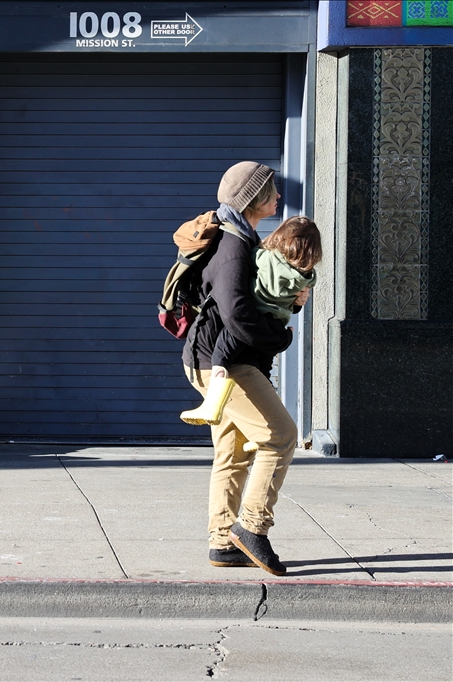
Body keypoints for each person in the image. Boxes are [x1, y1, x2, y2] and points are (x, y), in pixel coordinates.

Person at [182, 161, 301, 577]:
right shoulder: (233, 245)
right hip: (222, 364)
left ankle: (222, 543)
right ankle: (251, 528)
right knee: (281, 436)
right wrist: (281, 338)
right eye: (272, 192)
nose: (279, 198)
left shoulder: (242, 236)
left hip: (218, 360)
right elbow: (237, 315)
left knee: (232, 453)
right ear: (254, 199)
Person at [180, 215, 321, 427]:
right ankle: (258, 429)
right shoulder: (305, 277)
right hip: (274, 323)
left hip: (251, 318)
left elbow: (245, 264)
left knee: (223, 352)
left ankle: (212, 403)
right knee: (264, 369)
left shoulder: (264, 257)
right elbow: (295, 300)